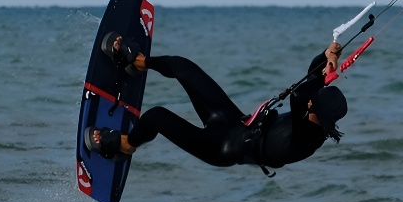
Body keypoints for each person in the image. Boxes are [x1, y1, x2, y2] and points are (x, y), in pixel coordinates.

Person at [84, 35, 347, 174]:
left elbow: (300, 94)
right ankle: (138, 62)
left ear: (318, 112)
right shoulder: (311, 114)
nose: (312, 99)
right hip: (233, 121)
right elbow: (312, 81)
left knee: (156, 117)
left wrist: (322, 74)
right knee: (183, 67)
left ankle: (125, 146)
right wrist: (327, 57)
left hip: (221, 149)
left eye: (315, 101)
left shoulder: (308, 140)